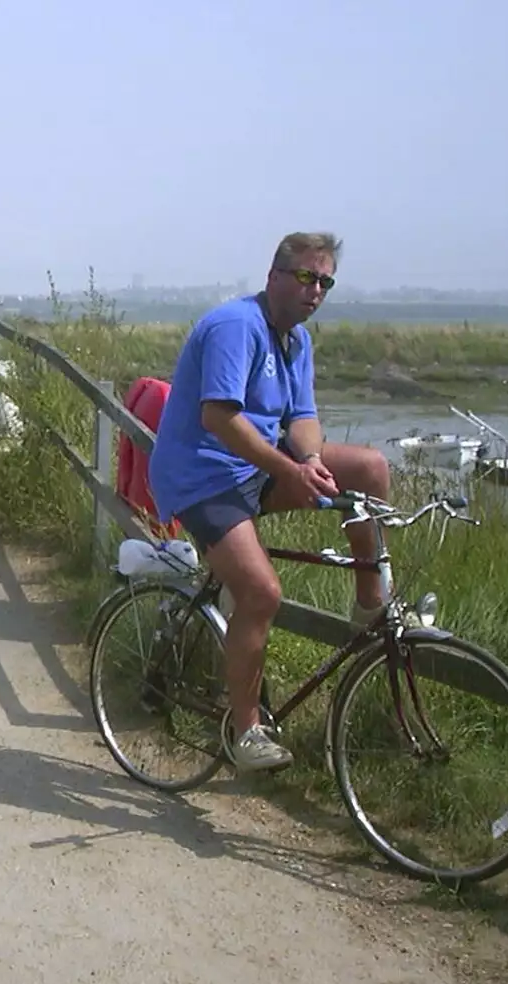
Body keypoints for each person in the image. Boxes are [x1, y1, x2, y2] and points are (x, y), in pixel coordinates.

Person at [147, 233, 390, 772]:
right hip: (201, 475)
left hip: (252, 468)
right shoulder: (237, 327)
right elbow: (218, 418)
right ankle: (246, 730)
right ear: (275, 275)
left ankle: (370, 608)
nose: (316, 290)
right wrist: (289, 468)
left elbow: (302, 419)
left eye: (325, 281)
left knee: (371, 468)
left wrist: (309, 459)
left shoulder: (297, 340)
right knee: (260, 592)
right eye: (307, 277)